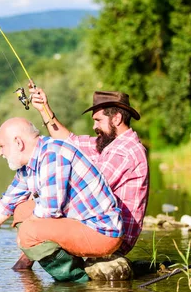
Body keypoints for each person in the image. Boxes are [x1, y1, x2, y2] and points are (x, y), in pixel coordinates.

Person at [0, 117, 124, 282]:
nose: (0, 153)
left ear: (18, 142)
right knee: (22, 210)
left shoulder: (53, 155)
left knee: (28, 231)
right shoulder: (28, 167)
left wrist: (24, 239)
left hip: (102, 231)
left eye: (1, 146)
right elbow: (2, 208)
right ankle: (72, 265)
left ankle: (77, 281)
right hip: (81, 225)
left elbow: (48, 211)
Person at [25, 87, 149, 260]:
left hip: (113, 236)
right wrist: (44, 108)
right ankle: (37, 266)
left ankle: (64, 274)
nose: (94, 126)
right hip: (96, 223)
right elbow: (70, 142)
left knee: (33, 221)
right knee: (27, 210)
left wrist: (45, 199)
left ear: (117, 118)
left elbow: (89, 189)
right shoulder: (110, 144)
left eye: (98, 120)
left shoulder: (125, 151)